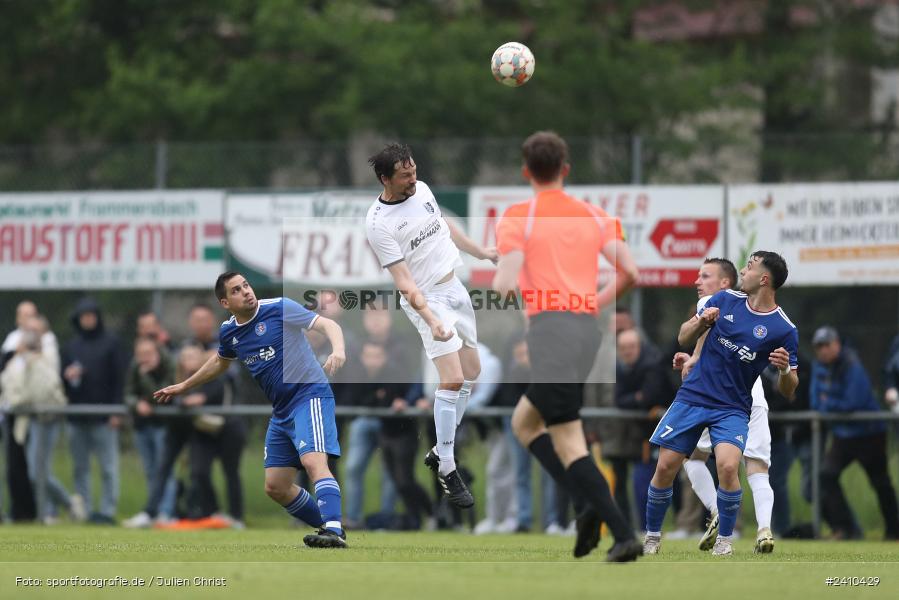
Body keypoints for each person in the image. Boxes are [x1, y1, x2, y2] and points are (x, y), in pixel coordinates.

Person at [492, 130, 642, 562]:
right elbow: (630, 272)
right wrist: (593, 302)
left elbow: (504, 284)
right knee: (525, 422)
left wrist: (503, 267)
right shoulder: (594, 216)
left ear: (526, 172)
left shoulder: (520, 217)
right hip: (585, 332)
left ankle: (620, 530)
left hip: (550, 332)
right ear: (566, 169)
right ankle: (585, 504)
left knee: (570, 440)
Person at [154, 272, 349, 548]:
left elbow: (328, 324)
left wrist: (338, 350)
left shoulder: (279, 308)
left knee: (313, 463)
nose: (246, 291)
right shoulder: (229, 331)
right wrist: (185, 384)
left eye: (246, 285)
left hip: (309, 396)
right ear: (225, 302)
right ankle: (329, 526)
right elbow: (221, 362)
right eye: (236, 290)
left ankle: (334, 530)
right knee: (276, 487)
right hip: (281, 411)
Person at [365, 143, 497, 509]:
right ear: (385, 179)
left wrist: (481, 252)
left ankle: (441, 448)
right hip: (426, 299)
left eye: (414, 170)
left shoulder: (422, 190)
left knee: (472, 372)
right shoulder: (378, 223)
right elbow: (404, 283)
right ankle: (448, 468)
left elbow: (446, 227)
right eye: (405, 175)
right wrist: (432, 321)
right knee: (452, 378)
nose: (413, 178)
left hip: (455, 289)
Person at [643, 252, 799, 556]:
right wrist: (701, 322)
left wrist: (782, 370)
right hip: (693, 398)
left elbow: (790, 388)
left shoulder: (784, 329)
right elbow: (683, 337)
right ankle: (651, 537)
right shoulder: (725, 300)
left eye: (750, 267)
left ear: (764, 279)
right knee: (665, 466)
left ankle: (725, 541)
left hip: (732, 407)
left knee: (728, 466)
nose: (744, 270)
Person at [671, 257, 778, 553]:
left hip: (724, 397)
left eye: (705, 276)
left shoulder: (715, 301)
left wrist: (693, 357)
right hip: (753, 395)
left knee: (692, 457)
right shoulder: (753, 307)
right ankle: (764, 529)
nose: (698, 282)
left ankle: (717, 511)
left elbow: (705, 334)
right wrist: (694, 357)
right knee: (756, 465)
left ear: (724, 283)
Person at [810, 326, 899, 540]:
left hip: (869, 434)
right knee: (827, 476)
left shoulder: (851, 364)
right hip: (844, 436)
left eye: (827, 345)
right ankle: (846, 529)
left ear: (837, 344)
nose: (823, 350)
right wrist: (830, 404)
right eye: (819, 346)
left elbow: (854, 402)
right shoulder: (819, 368)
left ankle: (894, 530)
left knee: (880, 483)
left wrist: (828, 402)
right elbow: (815, 402)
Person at [61, 298, 126, 525]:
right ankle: (85, 511)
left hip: (104, 418)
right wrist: (67, 377)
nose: (88, 319)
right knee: (80, 468)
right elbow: (63, 381)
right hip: (77, 417)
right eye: (83, 316)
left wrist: (117, 411)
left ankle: (107, 512)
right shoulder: (71, 346)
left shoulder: (111, 343)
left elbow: (120, 379)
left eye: (91, 315)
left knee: (108, 468)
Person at [613, 328, 673, 532]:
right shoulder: (621, 369)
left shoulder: (652, 366)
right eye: (623, 348)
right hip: (645, 437)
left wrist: (638, 399)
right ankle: (647, 528)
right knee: (642, 482)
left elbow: (649, 397)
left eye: (631, 347)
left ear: (639, 346)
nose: (627, 352)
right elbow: (619, 400)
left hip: (669, 431)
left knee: (679, 481)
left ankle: (689, 526)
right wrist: (636, 399)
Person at [124, 336, 179, 524]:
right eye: (140, 354)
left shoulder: (168, 364)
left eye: (147, 353)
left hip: (163, 425)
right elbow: (128, 393)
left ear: (156, 351)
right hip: (142, 425)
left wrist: (146, 375)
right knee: (150, 470)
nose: (143, 358)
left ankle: (166, 513)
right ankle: (152, 511)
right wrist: (136, 404)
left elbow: (162, 395)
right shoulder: (135, 366)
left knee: (165, 471)